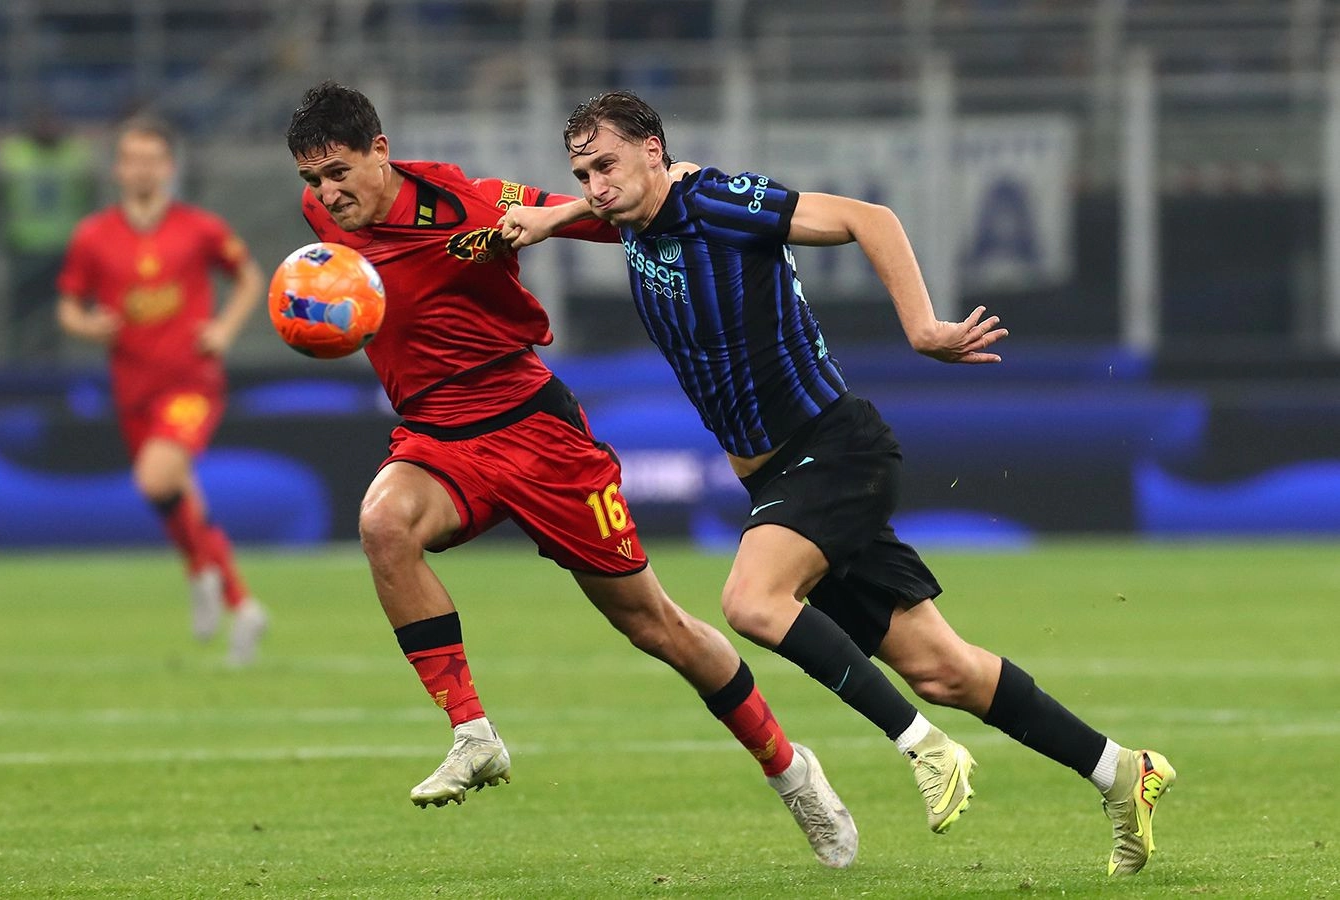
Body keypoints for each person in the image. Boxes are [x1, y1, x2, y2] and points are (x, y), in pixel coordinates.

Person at [499, 89, 1177, 877]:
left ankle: (922, 746)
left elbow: (868, 218)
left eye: (606, 166)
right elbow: (609, 206)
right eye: (582, 174)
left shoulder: (718, 202)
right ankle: (1122, 771)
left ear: (654, 150)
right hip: (782, 479)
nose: (595, 186)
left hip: (834, 451)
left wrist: (923, 328)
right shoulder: (630, 212)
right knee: (944, 670)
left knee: (752, 601)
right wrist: (548, 219)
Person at [282, 80, 858, 869]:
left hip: (535, 434)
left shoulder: (470, 204)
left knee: (655, 626)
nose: (327, 194)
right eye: (312, 180)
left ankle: (789, 770)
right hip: (438, 438)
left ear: (380, 151)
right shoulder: (322, 220)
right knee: (383, 523)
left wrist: (650, 190)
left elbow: (610, 212)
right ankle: (472, 733)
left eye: (339, 172)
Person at [56, 115, 268, 666]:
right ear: (118, 168)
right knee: (172, 496)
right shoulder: (93, 236)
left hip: (191, 382)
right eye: (133, 159)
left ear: (169, 167)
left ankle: (201, 574)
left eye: (153, 159)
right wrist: (88, 326)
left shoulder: (199, 228)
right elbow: (68, 307)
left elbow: (249, 277)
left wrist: (224, 330)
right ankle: (241, 604)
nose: (143, 169)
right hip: (132, 388)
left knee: (156, 477)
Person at [0, 110, 97, 361]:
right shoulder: (13, 155)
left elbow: (90, 198)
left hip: (64, 248)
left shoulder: (75, 156)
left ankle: (55, 363)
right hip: (24, 246)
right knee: (22, 312)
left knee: (61, 311)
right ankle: (18, 361)